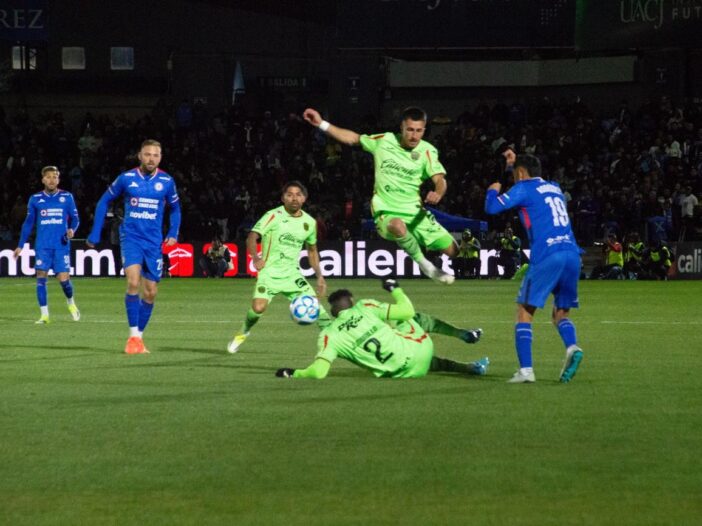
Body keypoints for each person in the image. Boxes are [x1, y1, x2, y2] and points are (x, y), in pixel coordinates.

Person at [303, 107, 456, 284]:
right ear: (402, 127)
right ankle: (426, 266)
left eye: (419, 131)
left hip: (415, 212)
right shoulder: (384, 140)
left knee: (453, 251)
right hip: (386, 210)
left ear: (424, 130)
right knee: (397, 225)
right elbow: (354, 139)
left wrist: (438, 192)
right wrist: (321, 123)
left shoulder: (428, 151)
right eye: (410, 130)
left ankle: (427, 247)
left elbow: (440, 179)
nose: (414, 136)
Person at [485, 151, 583, 384]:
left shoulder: (523, 188)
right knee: (560, 313)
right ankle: (572, 347)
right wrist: (512, 165)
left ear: (520, 174)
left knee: (524, 311)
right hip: (572, 253)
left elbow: (492, 208)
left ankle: (526, 371)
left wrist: (492, 189)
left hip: (547, 254)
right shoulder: (555, 188)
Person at [274, 278, 486, 379]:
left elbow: (319, 372)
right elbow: (407, 311)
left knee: (408, 353)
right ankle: (463, 334)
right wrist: (395, 289)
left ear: (333, 312)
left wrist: (293, 373)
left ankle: (470, 367)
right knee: (413, 318)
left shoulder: (329, 335)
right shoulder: (364, 306)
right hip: (421, 349)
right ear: (351, 301)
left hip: (404, 373)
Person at [87, 139, 181, 354]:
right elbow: (103, 201)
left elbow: (175, 208)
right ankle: (132, 337)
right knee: (133, 282)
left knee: (151, 292)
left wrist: (173, 232)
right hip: (131, 237)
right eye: (147, 154)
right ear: (140, 156)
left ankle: (138, 338)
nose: (151, 159)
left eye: (155, 155)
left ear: (160, 158)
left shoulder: (167, 181)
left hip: (153, 242)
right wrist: (95, 232)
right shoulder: (126, 178)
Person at [227, 181, 330, 353]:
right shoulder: (273, 215)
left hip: (292, 275)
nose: (294, 198)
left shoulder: (310, 222)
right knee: (258, 308)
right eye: (289, 195)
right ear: (283, 198)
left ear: (304, 198)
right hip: (269, 273)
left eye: (298, 195)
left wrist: (320, 276)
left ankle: (336, 343)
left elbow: (312, 251)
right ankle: (243, 332)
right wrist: (256, 257)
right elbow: (252, 237)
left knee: (318, 310)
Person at [14, 166, 81, 324]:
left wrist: (72, 229)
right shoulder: (35, 199)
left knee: (64, 280)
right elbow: (28, 223)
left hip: (61, 245)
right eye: (49, 177)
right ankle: (44, 315)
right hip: (43, 245)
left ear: (58, 179)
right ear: (43, 179)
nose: (52, 180)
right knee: (41, 276)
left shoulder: (67, 197)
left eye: (55, 177)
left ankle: (70, 302)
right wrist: (20, 245)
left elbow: (75, 219)